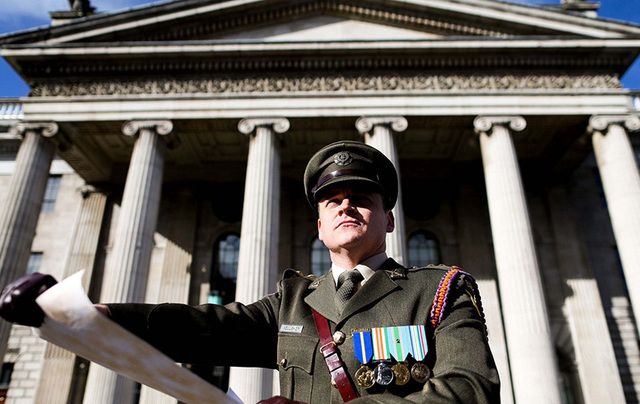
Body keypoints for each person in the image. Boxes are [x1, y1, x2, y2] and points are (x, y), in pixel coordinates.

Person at [0, 141, 499, 403]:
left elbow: (470, 390)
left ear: (388, 219)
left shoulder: (438, 290)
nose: (346, 205)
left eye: (362, 198)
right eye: (333, 200)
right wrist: (91, 314)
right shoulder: (293, 303)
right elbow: (204, 329)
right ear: (319, 225)